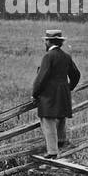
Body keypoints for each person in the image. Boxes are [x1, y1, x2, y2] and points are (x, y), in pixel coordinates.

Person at [31, 27, 80, 157]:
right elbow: (76, 75)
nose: (45, 43)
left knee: (48, 122)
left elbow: (41, 78)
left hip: (49, 96)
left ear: (49, 42)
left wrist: (35, 94)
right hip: (63, 94)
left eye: (46, 40)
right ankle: (61, 144)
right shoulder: (66, 56)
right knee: (60, 119)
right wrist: (68, 88)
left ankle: (52, 152)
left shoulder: (48, 56)